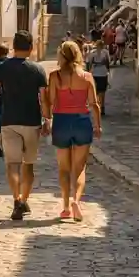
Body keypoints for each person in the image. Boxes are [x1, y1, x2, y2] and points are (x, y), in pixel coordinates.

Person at [0, 31, 50, 221]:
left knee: (12, 165)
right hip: (31, 121)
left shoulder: (3, 67)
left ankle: (16, 201)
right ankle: (24, 199)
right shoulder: (38, 69)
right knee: (28, 165)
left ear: (14, 46)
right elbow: (44, 98)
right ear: (31, 48)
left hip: (9, 121)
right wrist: (47, 118)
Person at [47, 40, 102, 222]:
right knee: (79, 168)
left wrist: (47, 119)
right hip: (82, 121)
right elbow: (94, 104)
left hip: (62, 121)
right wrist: (97, 126)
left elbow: (50, 101)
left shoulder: (55, 76)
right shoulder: (87, 77)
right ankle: (76, 201)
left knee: (64, 168)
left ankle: (64, 207)